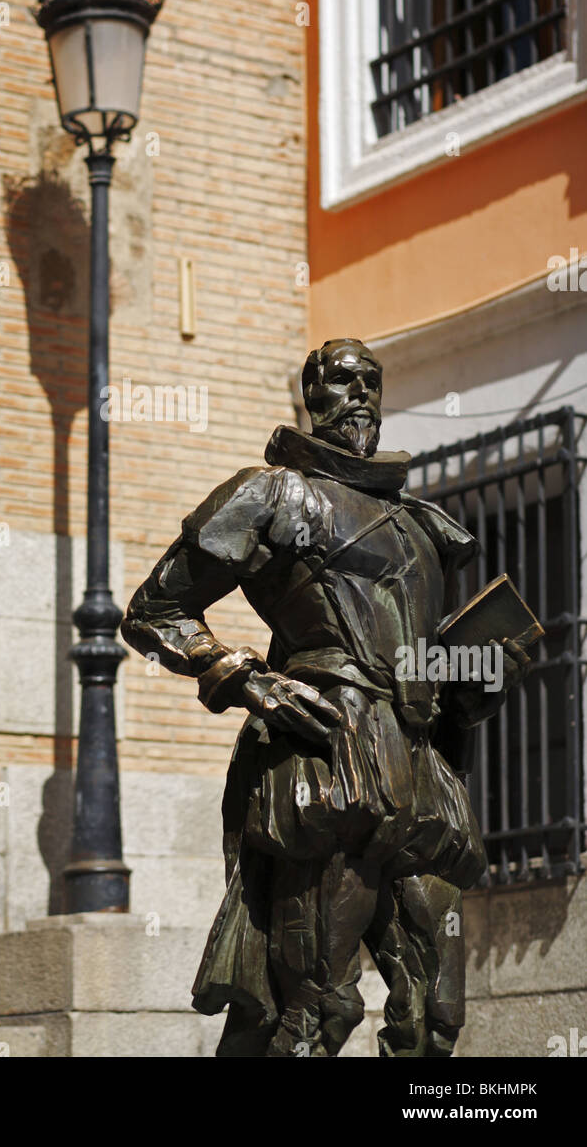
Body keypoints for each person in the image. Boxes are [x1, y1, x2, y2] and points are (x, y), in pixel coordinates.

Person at [121, 337, 531, 1057]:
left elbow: (424, 660)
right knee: (316, 1011)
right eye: (341, 382)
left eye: (371, 381)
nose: (361, 395)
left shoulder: (420, 526)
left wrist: (477, 684)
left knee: (436, 1014)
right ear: (309, 400)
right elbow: (153, 612)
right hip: (327, 763)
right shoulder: (271, 494)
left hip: (419, 777)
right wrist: (248, 679)